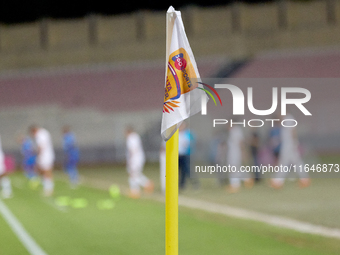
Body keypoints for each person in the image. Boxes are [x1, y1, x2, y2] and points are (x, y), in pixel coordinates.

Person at [270, 114, 310, 189]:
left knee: (284, 162)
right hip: (288, 144)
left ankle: (278, 181)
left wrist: (294, 143)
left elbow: (293, 131)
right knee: (296, 162)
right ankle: (305, 179)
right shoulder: (285, 120)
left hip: (289, 144)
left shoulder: (288, 119)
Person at [125, 126, 153, 198]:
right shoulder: (136, 136)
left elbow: (133, 150)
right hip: (139, 158)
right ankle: (136, 190)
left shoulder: (131, 138)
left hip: (135, 159)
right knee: (135, 174)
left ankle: (144, 185)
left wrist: (130, 161)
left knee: (133, 174)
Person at [227, 123, 253, 193]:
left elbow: (241, 142)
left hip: (236, 153)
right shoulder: (232, 131)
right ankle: (246, 178)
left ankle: (235, 184)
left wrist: (243, 152)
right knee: (235, 168)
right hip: (233, 153)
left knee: (233, 168)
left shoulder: (236, 130)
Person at [30, 125, 55, 197]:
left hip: (45, 156)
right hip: (46, 155)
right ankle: (47, 187)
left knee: (47, 171)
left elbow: (41, 147)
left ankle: (49, 188)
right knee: (42, 171)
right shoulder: (44, 132)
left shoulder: (40, 135)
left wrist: (38, 155)